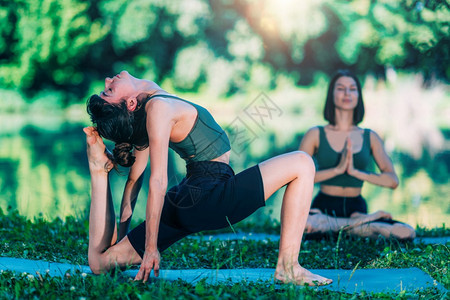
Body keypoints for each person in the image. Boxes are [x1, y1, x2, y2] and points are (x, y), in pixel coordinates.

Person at [84, 70, 332, 285]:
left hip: (187, 198)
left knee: (100, 262)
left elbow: (132, 184)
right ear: (128, 103)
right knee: (302, 162)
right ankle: (287, 268)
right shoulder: (157, 109)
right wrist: (149, 248)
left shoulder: (147, 105)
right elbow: (155, 181)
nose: (108, 81)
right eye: (108, 91)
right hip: (208, 196)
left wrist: (122, 240)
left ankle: (99, 170)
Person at [299, 70, 416, 240]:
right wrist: (337, 170)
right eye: (340, 88)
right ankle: (361, 224)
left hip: (356, 209)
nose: (347, 93)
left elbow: (392, 180)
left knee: (406, 232)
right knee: (305, 224)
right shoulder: (315, 134)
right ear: (331, 94)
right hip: (323, 205)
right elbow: (295, 177)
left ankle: (328, 225)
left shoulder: (370, 137)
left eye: (352, 89)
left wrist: (356, 173)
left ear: (358, 96)